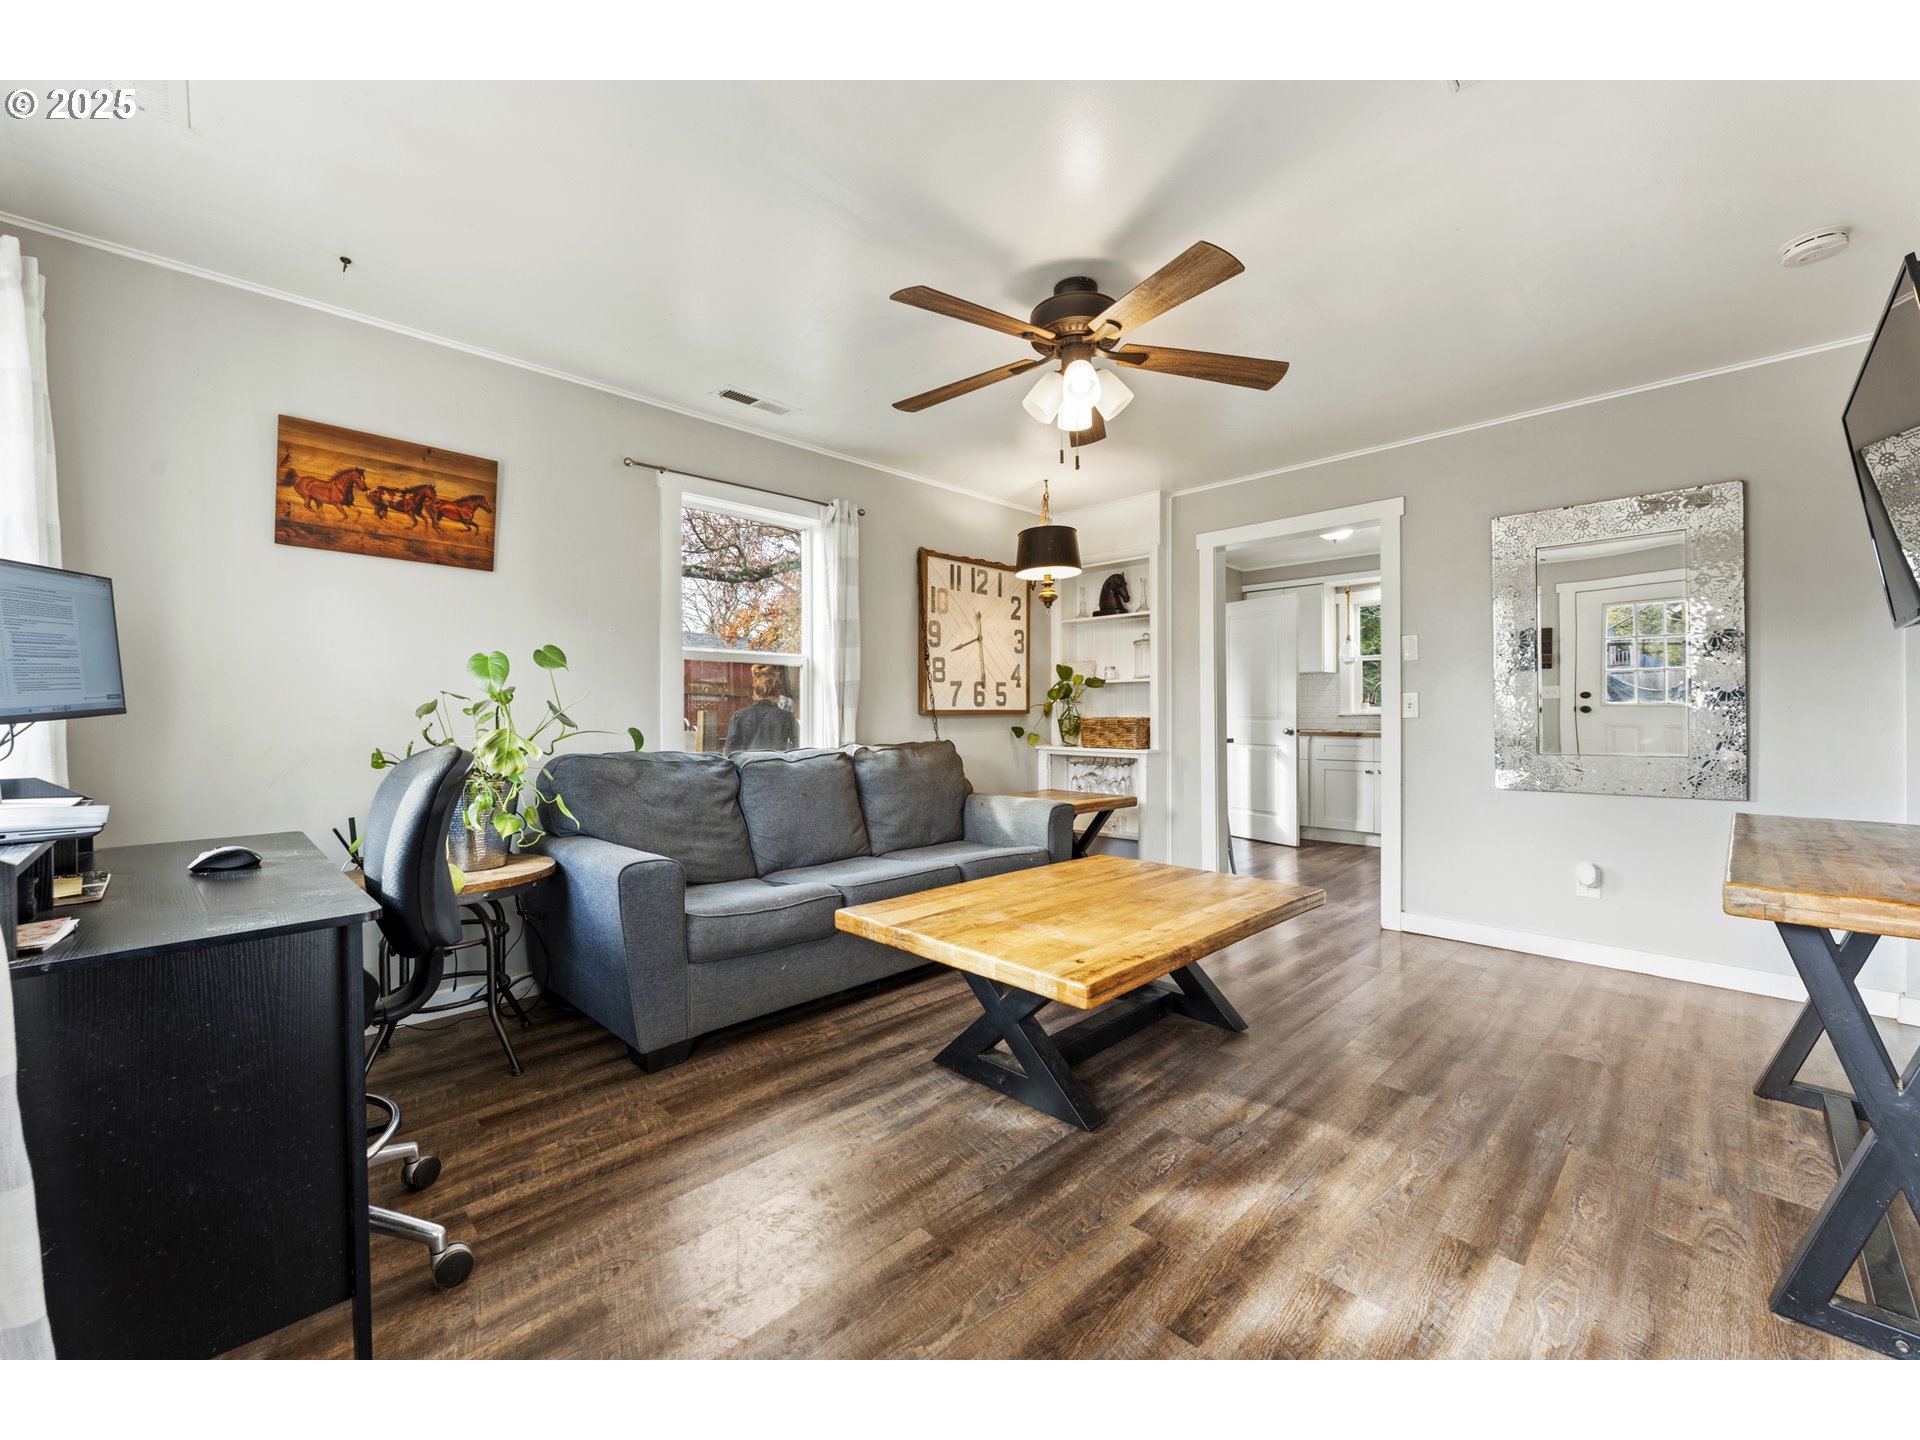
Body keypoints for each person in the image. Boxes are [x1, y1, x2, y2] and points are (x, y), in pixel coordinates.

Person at [724, 663, 800, 753]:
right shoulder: (787, 718)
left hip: (745, 765)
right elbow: (796, 751)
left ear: (755, 693)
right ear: (778, 694)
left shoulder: (738, 717)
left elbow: (729, 753)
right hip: (775, 764)